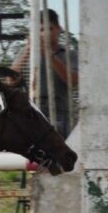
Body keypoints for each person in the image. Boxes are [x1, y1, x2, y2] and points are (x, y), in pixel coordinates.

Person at [11, 8, 79, 137]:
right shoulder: (27, 53)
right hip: (31, 109)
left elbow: (73, 81)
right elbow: (10, 80)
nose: (44, 34)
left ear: (59, 28)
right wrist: (28, 51)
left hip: (60, 111)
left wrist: (49, 54)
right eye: (40, 30)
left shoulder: (70, 55)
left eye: (49, 29)